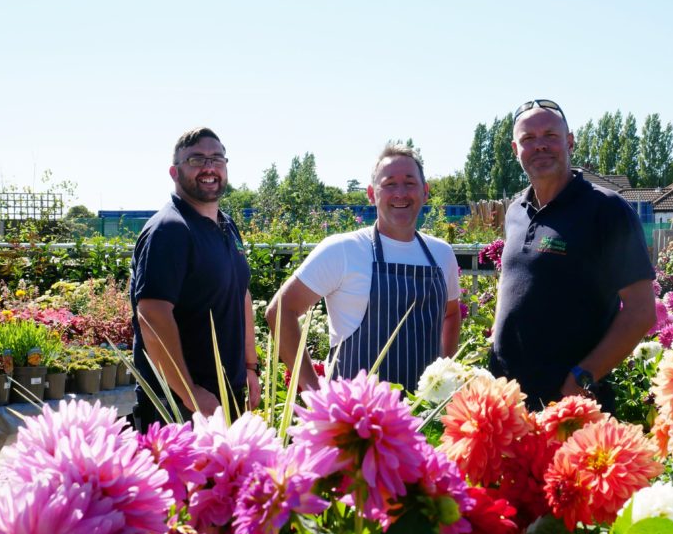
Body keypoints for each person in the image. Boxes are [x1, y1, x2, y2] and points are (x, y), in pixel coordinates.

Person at [489, 99, 656, 410]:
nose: (540, 145)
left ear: (569, 142)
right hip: (508, 400)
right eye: (528, 138)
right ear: (515, 150)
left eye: (550, 135)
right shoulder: (515, 211)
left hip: (569, 404)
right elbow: (513, 283)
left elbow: (641, 310)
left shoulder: (606, 209)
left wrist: (581, 378)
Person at [267, 144, 462, 392]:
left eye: (410, 182)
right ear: (371, 194)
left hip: (424, 413)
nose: (400, 193)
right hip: (355, 414)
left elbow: (451, 313)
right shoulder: (343, 250)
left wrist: (445, 377)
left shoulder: (441, 254)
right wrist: (313, 391)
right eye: (389, 184)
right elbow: (280, 311)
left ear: (425, 192)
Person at [130, 127, 260, 427]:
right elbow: (152, 315)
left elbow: (241, 293)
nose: (209, 167)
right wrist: (190, 392)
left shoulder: (227, 225)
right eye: (196, 159)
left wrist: (250, 367)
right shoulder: (169, 230)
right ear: (174, 172)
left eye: (217, 159)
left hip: (226, 393)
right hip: (179, 404)